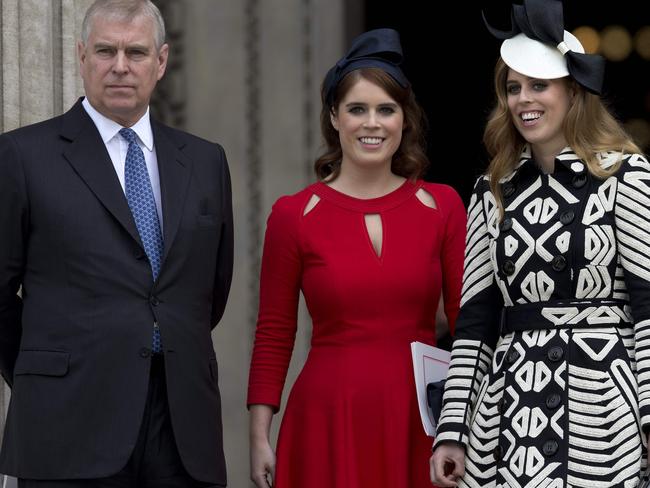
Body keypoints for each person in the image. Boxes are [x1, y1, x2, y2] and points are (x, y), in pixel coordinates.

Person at [0, 1, 233, 486]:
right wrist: (50, 370)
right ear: (81, 56)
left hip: (181, 429)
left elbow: (208, 292)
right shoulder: (22, 156)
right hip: (67, 424)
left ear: (162, 61)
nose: (121, 66)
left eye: (136, 52)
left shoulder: (206, 161)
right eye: (106, 51)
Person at [430, 0, 650, 486]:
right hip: (505, 419)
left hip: (601, 418)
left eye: (538, 85)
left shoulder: (625, 174)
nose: (523, 99)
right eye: (513, 88)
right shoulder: (492, 190)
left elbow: (647, 304)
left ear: (573, 92)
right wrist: (451, 429)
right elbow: (476, 321)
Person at [247, 28, 466, 488]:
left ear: (404, 119)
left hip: (419, 419)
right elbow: (273, 331)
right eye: (357, 109)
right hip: (326, 419)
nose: (372, 123)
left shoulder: (443, 206)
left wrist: (466, 423)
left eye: (386, 110)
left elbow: (467, 324)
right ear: (334, 116)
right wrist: (260, 435)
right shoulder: (294, 215)